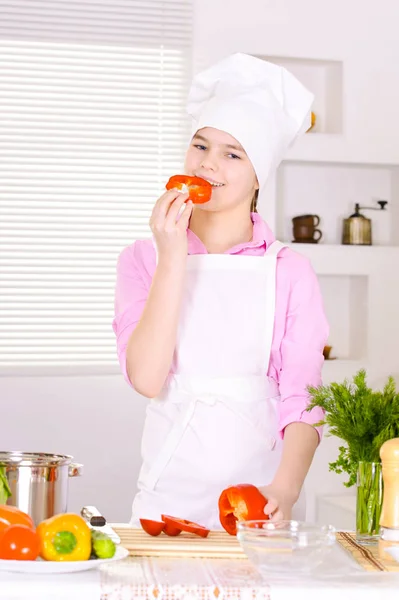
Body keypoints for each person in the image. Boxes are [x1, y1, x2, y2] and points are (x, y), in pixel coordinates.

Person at [112, 53, 329, 528]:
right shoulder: (142, 259)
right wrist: (172, 256)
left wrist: (285, 490)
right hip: (167, 494)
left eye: (232, 154)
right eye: (200, 146)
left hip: (262, 496)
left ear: (258, 176)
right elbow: (147, 378)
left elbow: (303, 396)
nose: (208, 165)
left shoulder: (289, 271)